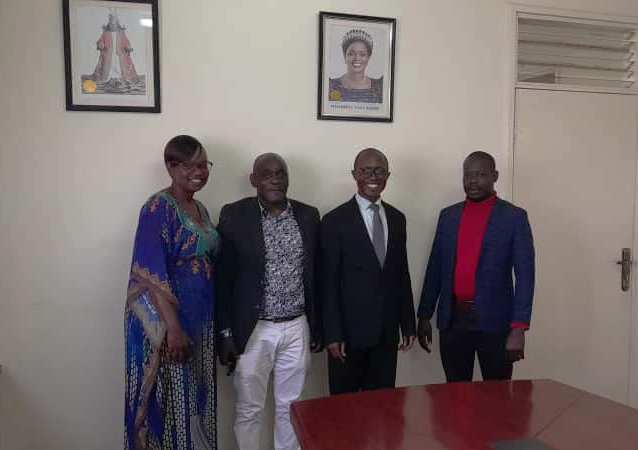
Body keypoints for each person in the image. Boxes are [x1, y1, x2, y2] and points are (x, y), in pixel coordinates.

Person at [215, 153, 322, 450]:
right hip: (254, 329)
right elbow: (223, 280)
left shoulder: (308, 215)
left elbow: (317, 274)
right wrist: (225, 333)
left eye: (280, 173)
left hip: (297, 326)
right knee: (250, 408)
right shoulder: (234, 215)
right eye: (267, 174)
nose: (275, 179)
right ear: (254, 180)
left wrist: (318, 326)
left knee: (292, 407)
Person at [124, 135, 220, 449]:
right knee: (170, 400)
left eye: (203, 165)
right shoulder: (157, 208)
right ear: (171, 167)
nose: (199, 172)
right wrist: (173, 329)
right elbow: (151, 273)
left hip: (199, 317)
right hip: (168, 323)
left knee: (195, 398)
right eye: (190, 166)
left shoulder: (199, 208)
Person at [417, 151, 535, 382]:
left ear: (495, 176)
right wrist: (424, 315)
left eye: (480, 174)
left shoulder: (514, 218)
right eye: (468, 175)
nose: (473, 181)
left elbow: (525, 277)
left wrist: (519, 328)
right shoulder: (448, 216)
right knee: (456, 393)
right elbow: (435, 269)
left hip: (496, 322)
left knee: (497, 394)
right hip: (453, 321)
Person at [321, 148, 416, 395]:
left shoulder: (397, 218)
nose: (373, 177)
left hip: (386, 332)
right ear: (355, 174)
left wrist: (408, 323)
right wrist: (332, 334)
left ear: (388, 175)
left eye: (379, 171)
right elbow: (328, 283)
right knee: (345, 409)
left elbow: (401, 274)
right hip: (347, 336)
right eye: (365, 171)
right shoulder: (334, 220)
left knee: (383, 406)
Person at [328, 29, 383, 103]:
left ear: (368, 57)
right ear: (344, 56)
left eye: (362, 54)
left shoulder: (380, 87)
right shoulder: (330, 86)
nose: (357, 58)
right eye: (351, 54)